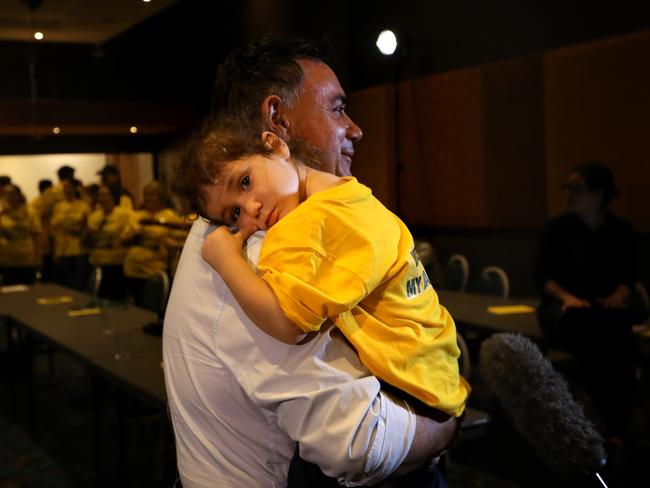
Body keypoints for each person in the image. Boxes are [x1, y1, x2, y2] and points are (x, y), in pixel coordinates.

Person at [163, 34, 460, 488]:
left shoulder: (273, 222)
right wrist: (443, 427)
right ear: (276, 121)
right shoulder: (265, 245)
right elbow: (359, 444)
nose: (354, 129)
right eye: (337, 108)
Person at [178, 126, 470, 420]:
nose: (251, 208)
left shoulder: (308, 224)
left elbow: (286, 323)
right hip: (436, 370)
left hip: (411, 386)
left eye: (244, 182)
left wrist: (226, 259)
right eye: (235, 214)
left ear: (275, 144)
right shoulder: (350, 193)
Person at [534, 161, 642, 454]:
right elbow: (543, 277)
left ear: (599, 194)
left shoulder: (621, 231)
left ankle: (613, 425)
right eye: (567, 188)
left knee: (615, 339)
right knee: (599, 340)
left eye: (576, 188)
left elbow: (628, 276)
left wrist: (619, 294)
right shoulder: (557, 229)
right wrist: (566, 296)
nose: (568, 194)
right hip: (565, 310)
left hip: (603, 311)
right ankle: (614, 426)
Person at [121, 181, 181, 305]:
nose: (148, 198)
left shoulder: (170, 217)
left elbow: (181, 242)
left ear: (161, 196)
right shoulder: (136, 216)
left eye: (152, 194)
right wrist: (134, 236)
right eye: (145, 195)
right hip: (133, 268)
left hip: (155, 269)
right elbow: (122, 240)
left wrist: (171, 244)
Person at [84, 184, 131, 300]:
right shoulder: (94, 216)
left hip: (115, 265)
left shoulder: (124, 215)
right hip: (96, 264)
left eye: (105, 195)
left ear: (113, 197)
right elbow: (87, 239)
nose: (101, 199)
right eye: (99, 195)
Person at [50, 178, 91, 290]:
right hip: (62, 249)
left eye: (67, 186)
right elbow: (54, 228)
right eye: (63, 187)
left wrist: (79, 230)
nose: (65, 189)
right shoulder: (59, 206)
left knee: (78, 282)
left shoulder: (83, 205)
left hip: (79, 249)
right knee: (64, 283)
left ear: (74, 188)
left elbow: (87, 226)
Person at [0, 184, 42, 285]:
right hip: (6, 259)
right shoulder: (2, 212)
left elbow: (36, 236)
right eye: (5, 194)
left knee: (28, 291)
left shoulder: (30, 212)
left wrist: (38, 258)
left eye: (11, 193)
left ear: (18, 195)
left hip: (26, 258)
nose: (8, 197)